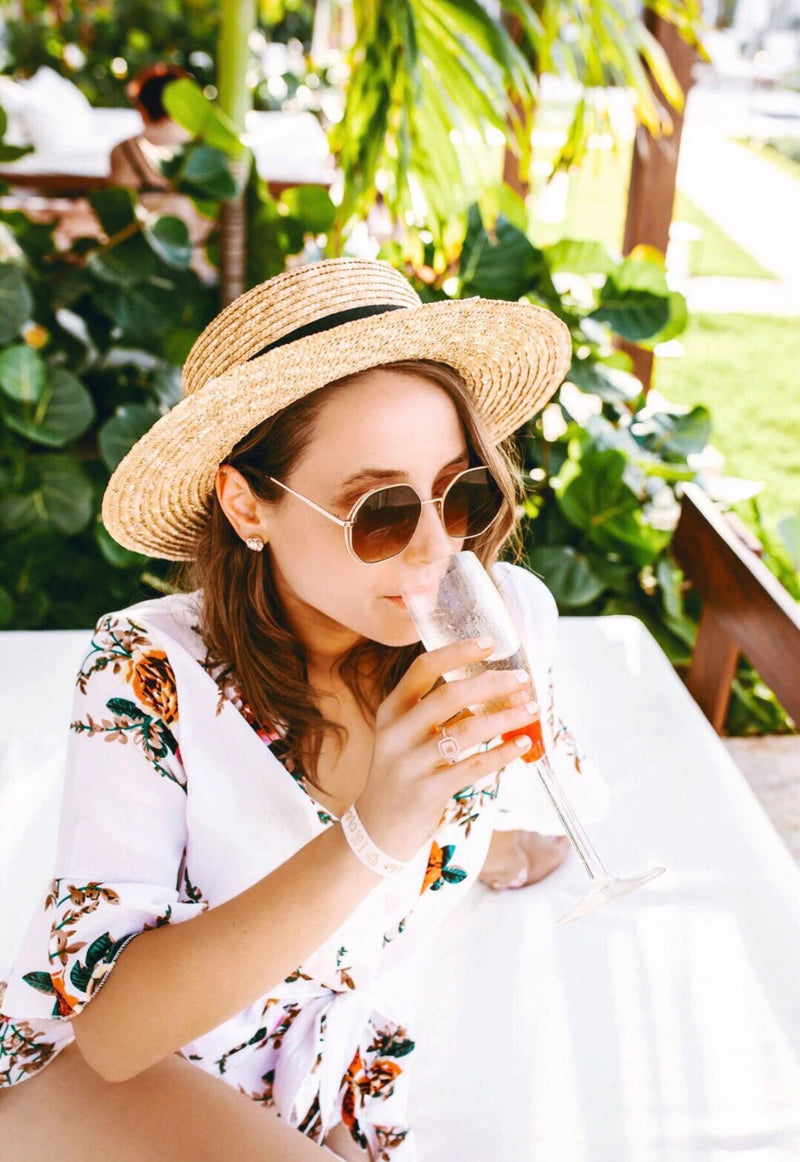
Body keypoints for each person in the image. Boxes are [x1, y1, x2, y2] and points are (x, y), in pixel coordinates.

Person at [0, 258, 598, 1160]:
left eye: (461, 492)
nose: (439, 548)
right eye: (382, 512)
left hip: (325, 1069)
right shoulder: (148, 672)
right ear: (248, 505)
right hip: (124, 1071)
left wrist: (485, 842)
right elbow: (115, 1040)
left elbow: (498, 801)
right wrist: (374, 832)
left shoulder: (501, 622)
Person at [108, 63, 216, 284]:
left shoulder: (121, 152)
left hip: (143, 271)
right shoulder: (208, 152)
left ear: (141, 106)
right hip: (201, 270)